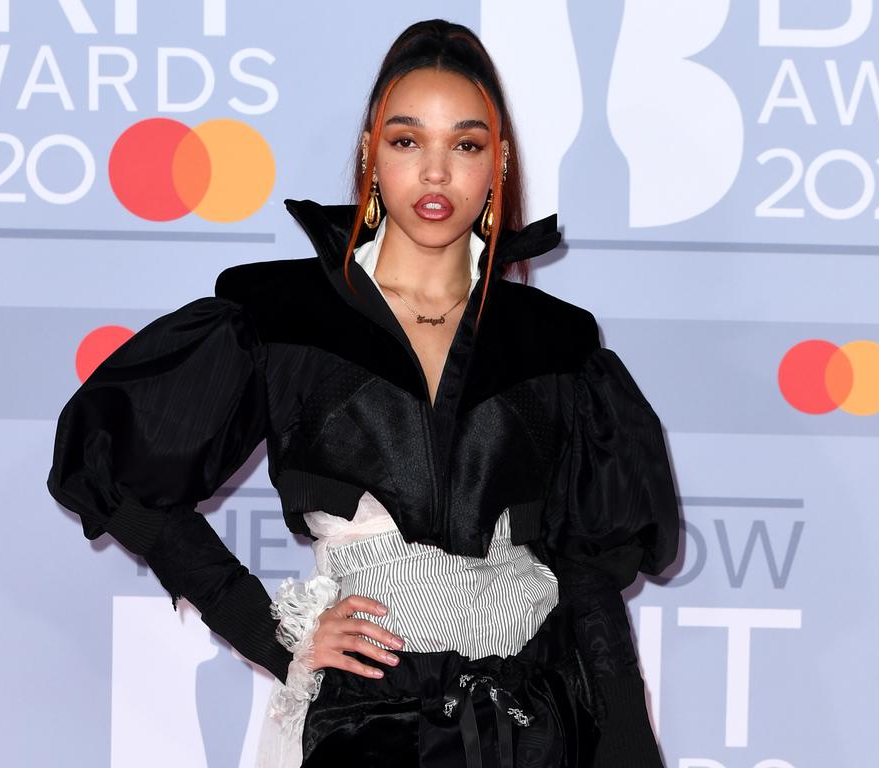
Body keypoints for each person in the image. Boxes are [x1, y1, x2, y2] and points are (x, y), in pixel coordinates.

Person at [46, 18, 681, 768]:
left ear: (497, 163)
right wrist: (269, 632)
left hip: (536, 721)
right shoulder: (283, 316)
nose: (436, 173)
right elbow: (116, 467)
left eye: (466, 145)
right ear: (370, 153)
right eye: (408, 141)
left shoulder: (557, 340)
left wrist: (626, 738)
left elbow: (586, 562)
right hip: (368, 725)